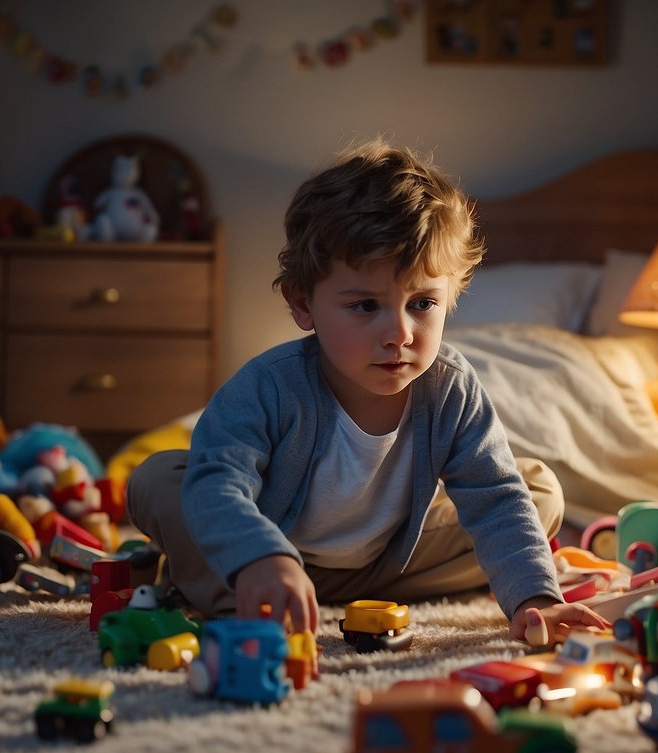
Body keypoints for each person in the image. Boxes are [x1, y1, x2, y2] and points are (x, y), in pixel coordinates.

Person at [127, 138, 609, 644]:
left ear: (452, 297)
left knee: (537, 492)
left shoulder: (450, 388)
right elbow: (219, 481)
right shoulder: (270, 385)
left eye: (423, 304)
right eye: (364, 306)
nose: (399, 333)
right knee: (160, 477)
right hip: (270, 550)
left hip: (390, 567)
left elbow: (495, 498)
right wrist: (259, 556)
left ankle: (231, 586)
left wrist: (536, 598)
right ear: (303, 304)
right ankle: (252, 581)